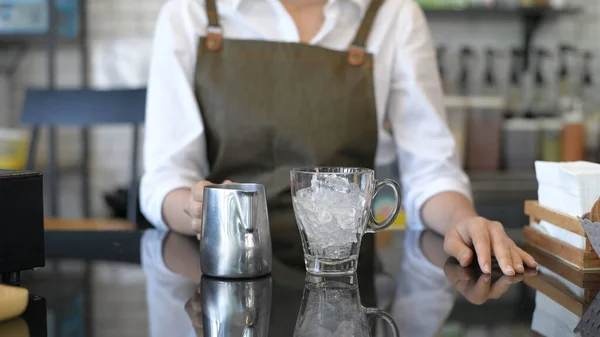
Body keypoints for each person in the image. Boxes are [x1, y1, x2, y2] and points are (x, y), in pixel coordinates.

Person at [140, 0, 537, 276]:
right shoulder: (190, 13)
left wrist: (462, 220)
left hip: (345, 278)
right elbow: (166, 180)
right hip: (228, 274)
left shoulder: (393, 15)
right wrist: (200, 210)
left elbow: (431, 173)